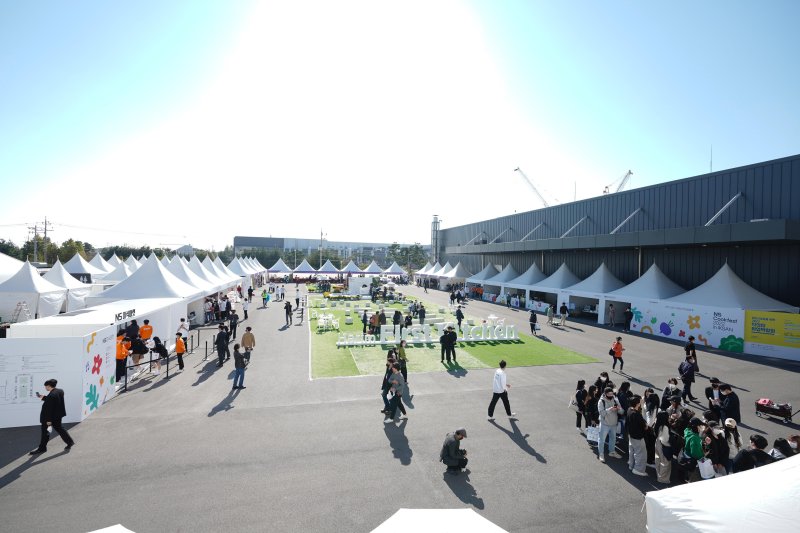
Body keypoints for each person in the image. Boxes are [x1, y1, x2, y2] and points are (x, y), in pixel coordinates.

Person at [30, 379, 75, 455]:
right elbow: (54, 401)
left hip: (49, 418)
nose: (45, 388)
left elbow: (49, 409)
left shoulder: (51, 395)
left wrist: (48, 420)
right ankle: (70, 442)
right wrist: (42, 397)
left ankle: (42, 448)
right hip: (58, 416)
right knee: (60, 429)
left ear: (48, 386)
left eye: (45, 386)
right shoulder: (60, 391)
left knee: (45, 433)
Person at [597, 387, 623, 463]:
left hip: (614, 424)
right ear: (605, 394)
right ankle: (601, 454)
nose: (611, 395)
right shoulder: (601, 401)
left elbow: (622, 412)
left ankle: (612, 452)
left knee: (613, 439)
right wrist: (610, 409)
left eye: (612, 393)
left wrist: (619, 409)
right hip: (604, 424)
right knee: (601, 440)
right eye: (609, 394)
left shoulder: (615, 399)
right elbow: (602, 413)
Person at [626, 395, 648, 476]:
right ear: (637, 404)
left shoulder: (629, 410)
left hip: (631, 435)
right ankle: (638, 469)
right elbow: (644, 426)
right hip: (638, 437)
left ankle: (631, 465)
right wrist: (646, 425)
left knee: (632, 451)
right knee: (641, 453)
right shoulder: (636, 414)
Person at [679, 418, 705, 482]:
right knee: (694, 478)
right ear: (696, 427)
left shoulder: (688, 431)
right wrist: (703, 456)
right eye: (700, 426)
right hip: (692, 460)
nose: (702, 427)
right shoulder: (695, 438)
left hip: (686, 455)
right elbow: (695, 453)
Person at [653, 411, 672, 484]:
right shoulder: (665, 427)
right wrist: (669, 446)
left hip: (657, 442)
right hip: (663, 445)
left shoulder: (657, 423)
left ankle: (659, 474)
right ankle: (663, 479)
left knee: (658, 460)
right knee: (665, 462)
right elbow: (665, 440)